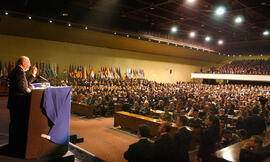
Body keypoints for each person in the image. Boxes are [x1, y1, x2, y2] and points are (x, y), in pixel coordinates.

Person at [8, 56, 37, 156]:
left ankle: (14, 146)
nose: (29, 64)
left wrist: (33, 74)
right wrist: (30, 91)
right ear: (23, 63)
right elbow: (22, 88)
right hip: (18, 104)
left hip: (15, 103)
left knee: (15, 125)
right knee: (17, 125)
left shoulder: (18, 71)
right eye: (28, 63)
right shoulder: (19, 72)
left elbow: (24, 83)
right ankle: (16, 148)